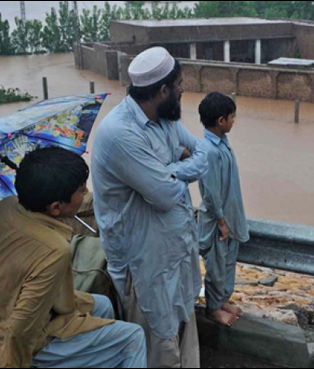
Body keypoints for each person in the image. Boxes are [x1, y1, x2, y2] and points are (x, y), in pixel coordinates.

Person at [0, 147, 147, 368]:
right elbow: (21, 327)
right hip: (8, 341)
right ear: (55, 207)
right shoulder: (54, 250)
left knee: (102, 304)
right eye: (81, 191)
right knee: (133, 337)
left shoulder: (4, 207)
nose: (85, 195)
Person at [92, 46, 208, 368]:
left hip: (176, 251)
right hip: (144, 264)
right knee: (157, 344)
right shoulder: (120, 133)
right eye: (180, 84)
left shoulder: (165, 120)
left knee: (183, 328)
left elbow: (204, 154)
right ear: (163, 90)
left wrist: (170, 170)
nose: (184, 90)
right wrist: (176, 170)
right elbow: (165, 195)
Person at [197, 92, 249, 327]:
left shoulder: (222, 144)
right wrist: (221, 220)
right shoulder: (209, 150)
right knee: (216, 265)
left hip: (229, 217)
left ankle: (221, 300)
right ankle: (212, 309)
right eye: (231, 117)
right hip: (218, 221)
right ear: (220, 121)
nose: (233, 121)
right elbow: (210, 192)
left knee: (227, 262)